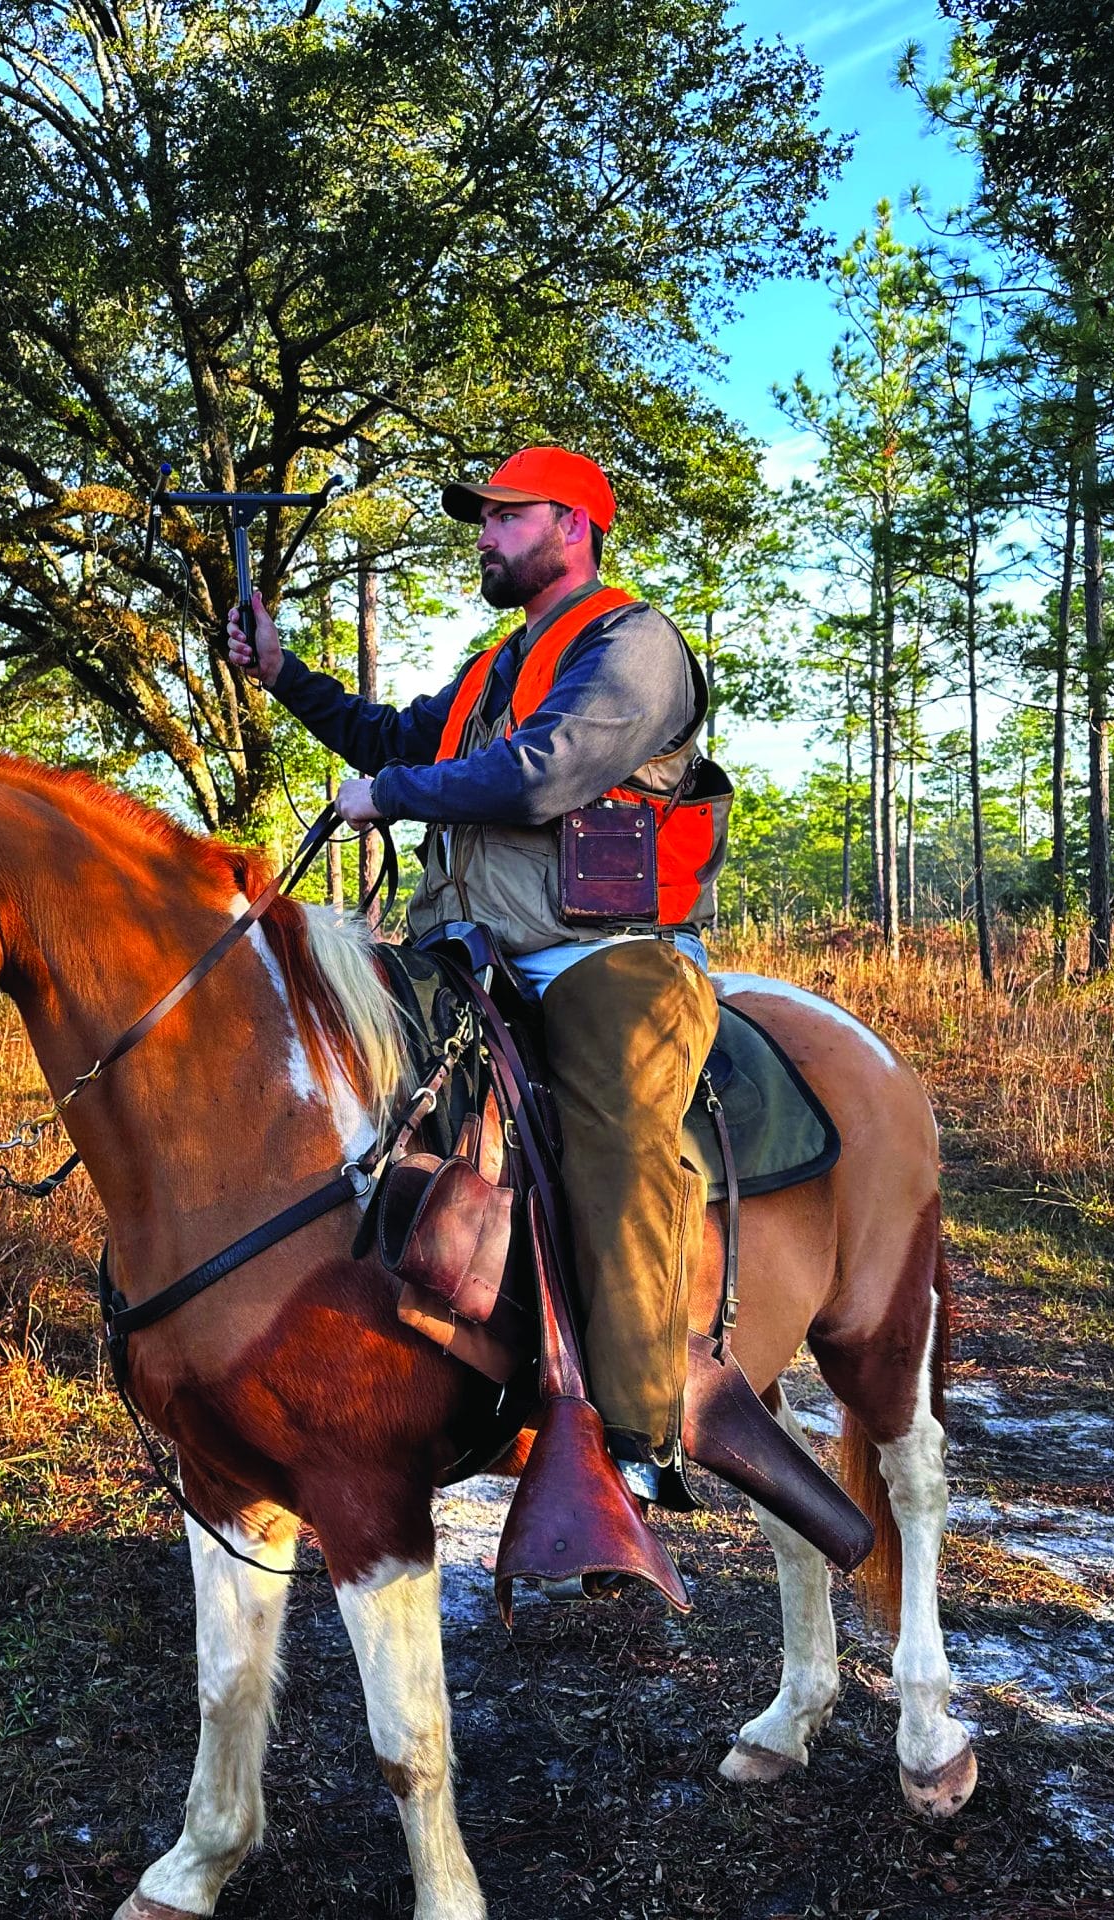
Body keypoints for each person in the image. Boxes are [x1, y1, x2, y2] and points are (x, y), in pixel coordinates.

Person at [228, 446, 722, 1506]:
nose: (484, 536)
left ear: (574, 526)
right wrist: (282, 675)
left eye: (505, 517)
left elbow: (545, 774)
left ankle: (634, 1440)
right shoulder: (499, 660)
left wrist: (392, 794)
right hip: (465, 953)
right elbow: (394, 735)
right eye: (483, 519)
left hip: (602, 955)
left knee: (618, 1147)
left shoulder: (634, 645)